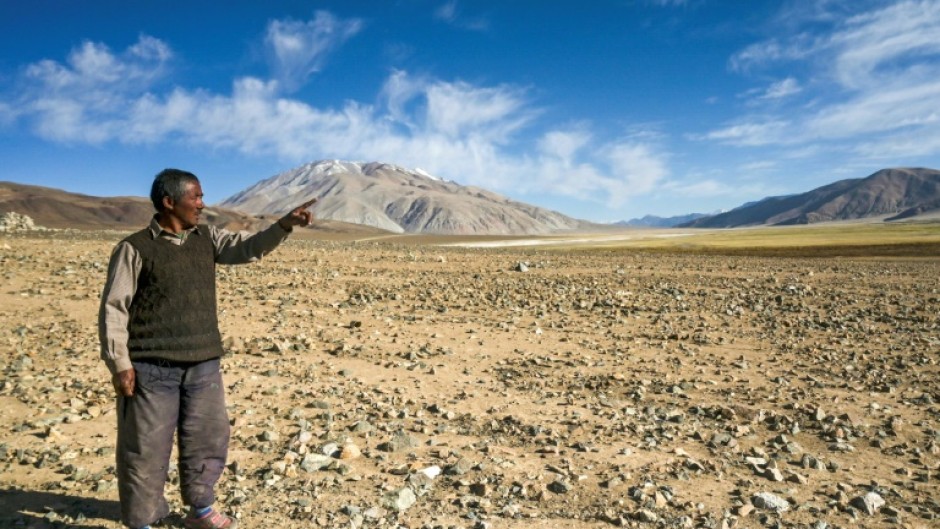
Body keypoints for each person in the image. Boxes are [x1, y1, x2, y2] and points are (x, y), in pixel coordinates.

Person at [98, 169, 316, 529]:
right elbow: (113, 308)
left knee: (207, 440)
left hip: (203, 364)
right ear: (170, 202)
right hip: (152, 368)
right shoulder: (133, 248)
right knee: (145, 450)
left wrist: (283, 225)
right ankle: (142, 520)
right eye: (196, 197)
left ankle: (200, 510)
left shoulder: (207, 238)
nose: (202, 204)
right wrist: (119, 363)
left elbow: (248, 248)